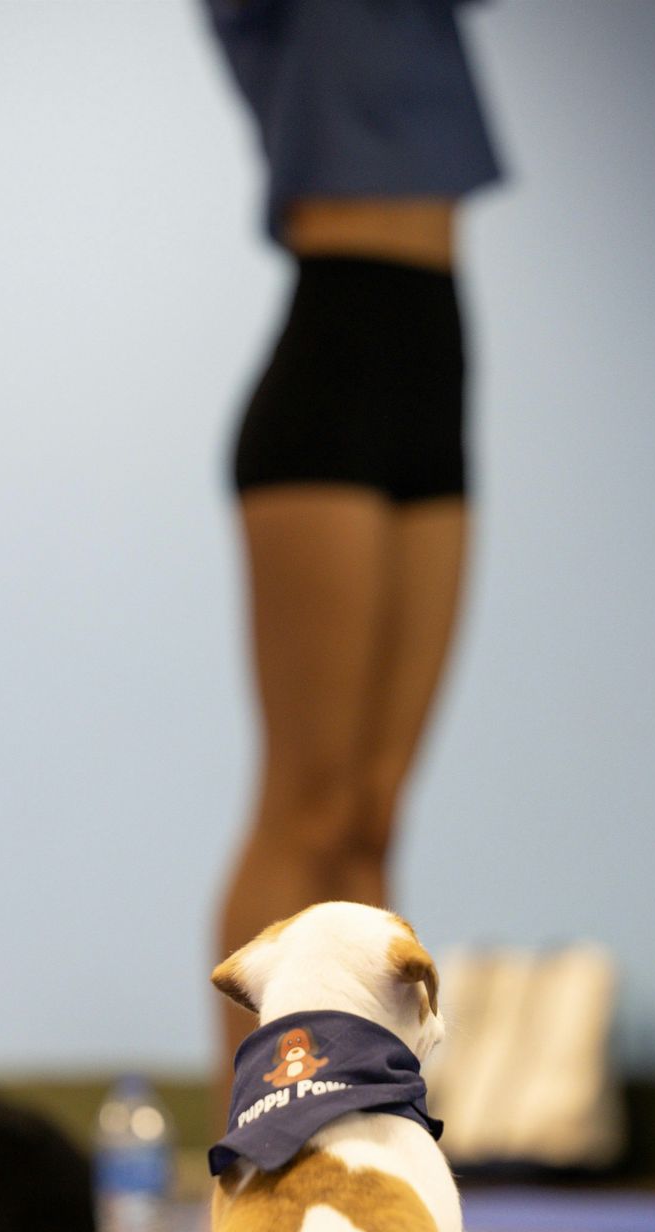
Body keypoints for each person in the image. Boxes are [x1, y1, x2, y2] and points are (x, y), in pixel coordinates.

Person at [202, 0, 503, 1107]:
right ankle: (251, 1122)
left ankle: (356, 1109)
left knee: (375, 814)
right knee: (306, 801)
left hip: (438, 361)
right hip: (330, 360)